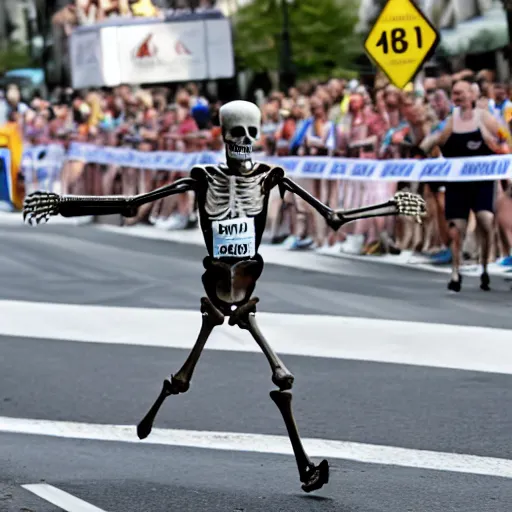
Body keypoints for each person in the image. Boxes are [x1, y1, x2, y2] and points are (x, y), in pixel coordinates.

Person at [420, 77, 512, 292]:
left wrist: (495, 144)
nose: (457, 97)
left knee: (485, 220)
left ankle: (484, 267)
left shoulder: (484, 117)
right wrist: (435, 139)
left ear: (472, 95)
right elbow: (433, 145)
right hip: (458, 182)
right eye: (455, 93)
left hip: (482, 182)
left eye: (461, 92)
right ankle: (455, 271)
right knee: (457, 228)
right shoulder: (452, 120)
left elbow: (504, 139)